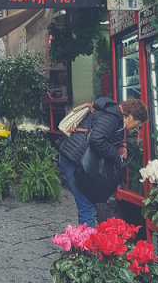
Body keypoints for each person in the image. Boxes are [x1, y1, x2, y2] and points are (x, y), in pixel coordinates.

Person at [57, 97, 148, 227]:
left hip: (74, 159)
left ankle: (83, 243)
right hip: (73, 160)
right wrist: (117, 157)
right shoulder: (113, 117)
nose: (136, 129)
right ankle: (86, 245)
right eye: (138, 124)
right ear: (131, 117)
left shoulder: (113, 115)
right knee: (87, 207)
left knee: (86, 205)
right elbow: (96, 140)